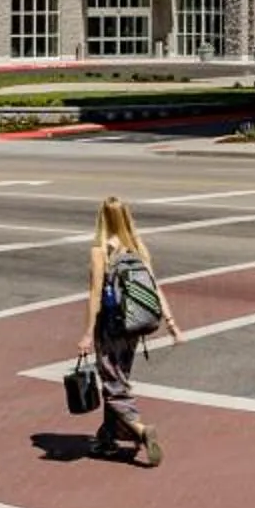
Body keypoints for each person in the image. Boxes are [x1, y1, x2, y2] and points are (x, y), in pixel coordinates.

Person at [75, 196, 179, 465]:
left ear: (101, 219)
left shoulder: (100, 251)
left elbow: (95, 294)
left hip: (110, 328)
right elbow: (155, 286)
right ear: (127, 217)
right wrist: (171, 323)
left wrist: (87, 333)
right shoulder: (137, 246)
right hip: (135, 326)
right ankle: (106, 439)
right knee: (118, 378)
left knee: (113, 385)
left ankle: (141, 430)